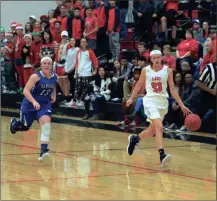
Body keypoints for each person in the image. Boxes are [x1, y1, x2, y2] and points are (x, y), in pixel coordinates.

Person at [126, 50, 191, 167]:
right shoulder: (146, 70)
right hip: (150, 100)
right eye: (154, 58)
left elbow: (172, 89)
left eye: (158, 57)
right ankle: (162, 155)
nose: (156, 60)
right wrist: (131, 98)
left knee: (152, 130)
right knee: (159, 127)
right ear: (151, 59)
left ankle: (135, 139)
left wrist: (181, 105)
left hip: (162, 102)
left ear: (161, 58)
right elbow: (140, 84)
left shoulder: (168, 71)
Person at [9, 56, 57, 161]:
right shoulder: (36, 76)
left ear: (51, 65)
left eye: (48, 63)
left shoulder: (54, 76)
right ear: (41, 65)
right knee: (25, 127)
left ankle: (43, 151)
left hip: (44, 105)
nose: (46, 65)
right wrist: (34, 101)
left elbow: (53, 86)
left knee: (46, 126)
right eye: (44, 63)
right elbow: (25, 91)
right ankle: (14, 124)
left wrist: (54, 95)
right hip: (30, 104)